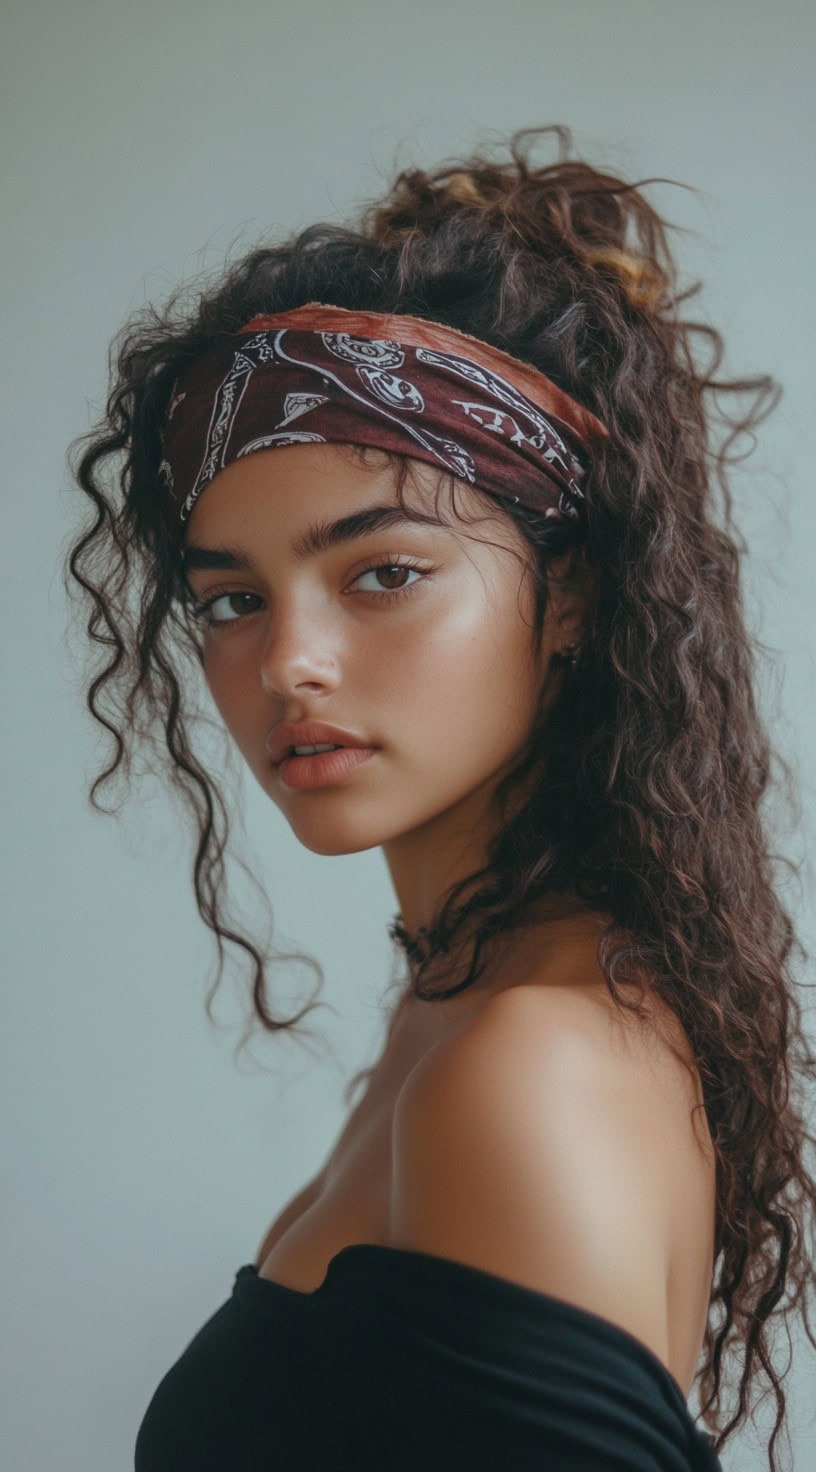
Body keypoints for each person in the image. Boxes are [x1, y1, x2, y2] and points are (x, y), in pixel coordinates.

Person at [66, 126, 814, 1471]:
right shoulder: (471, 1001)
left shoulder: (520, 1070)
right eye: (232, 599)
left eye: (383, 573)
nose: (285, 660)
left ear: (570, 591)